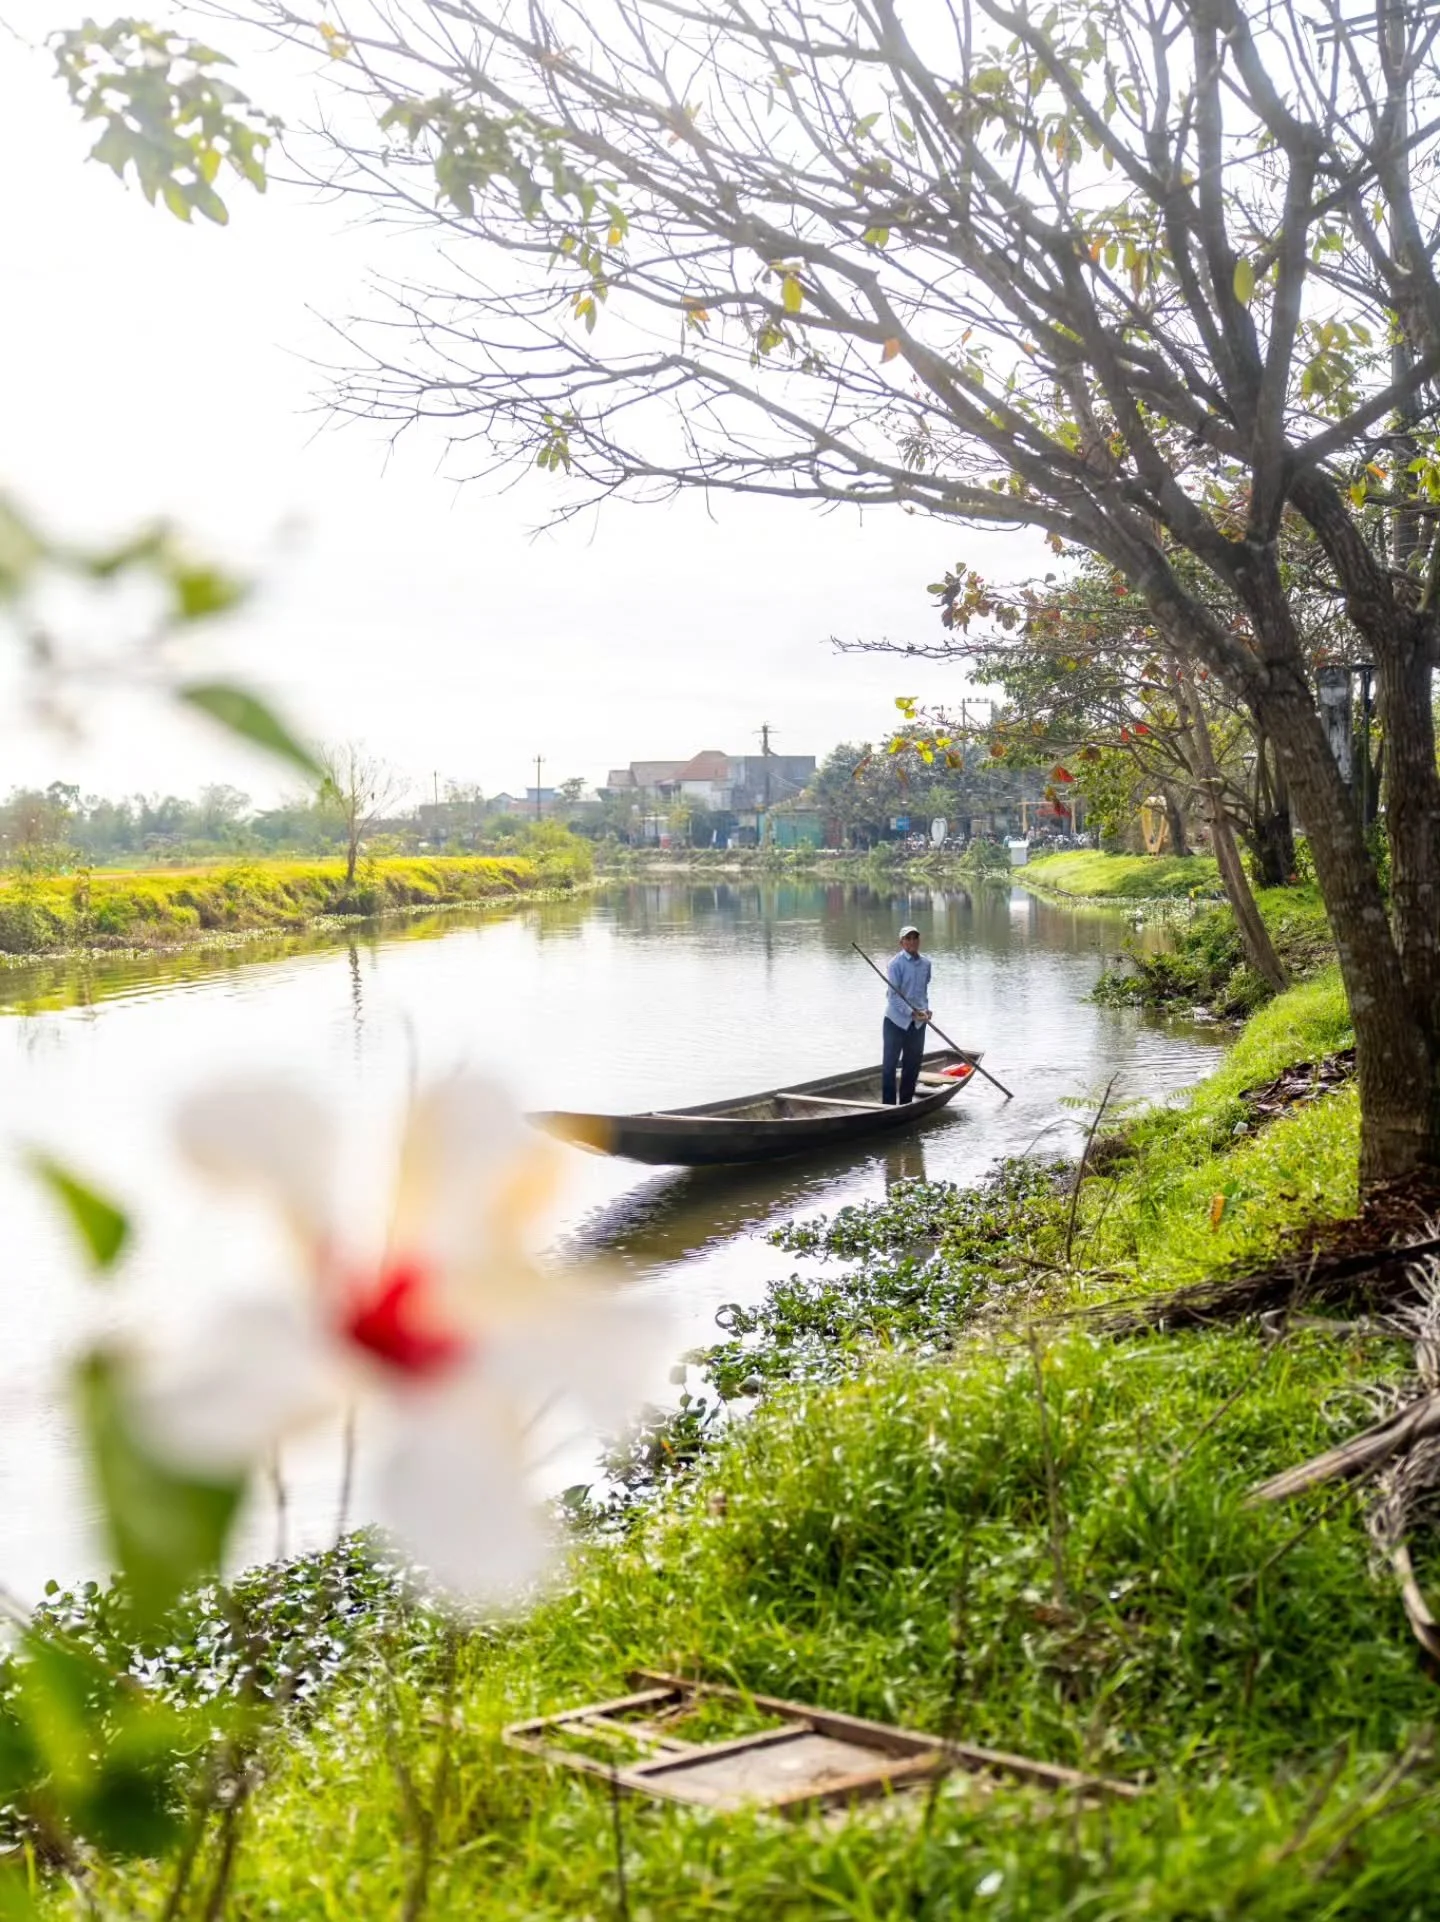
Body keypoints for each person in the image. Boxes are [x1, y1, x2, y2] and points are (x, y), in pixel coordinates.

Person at [881, 924, 932, 1104]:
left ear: (919, 940)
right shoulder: (895, 964)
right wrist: (912, 1012)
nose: (912, 941)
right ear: (901, 943)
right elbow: (892, 996)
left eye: (914, 938)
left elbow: (922, 993)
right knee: (890, 1066)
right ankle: (887, 1106)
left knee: (912, 1066)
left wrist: (925, 1010)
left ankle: (906, 1103)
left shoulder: (926, 963)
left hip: (918, 1024)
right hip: (896, 1022)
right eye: (908, 939)